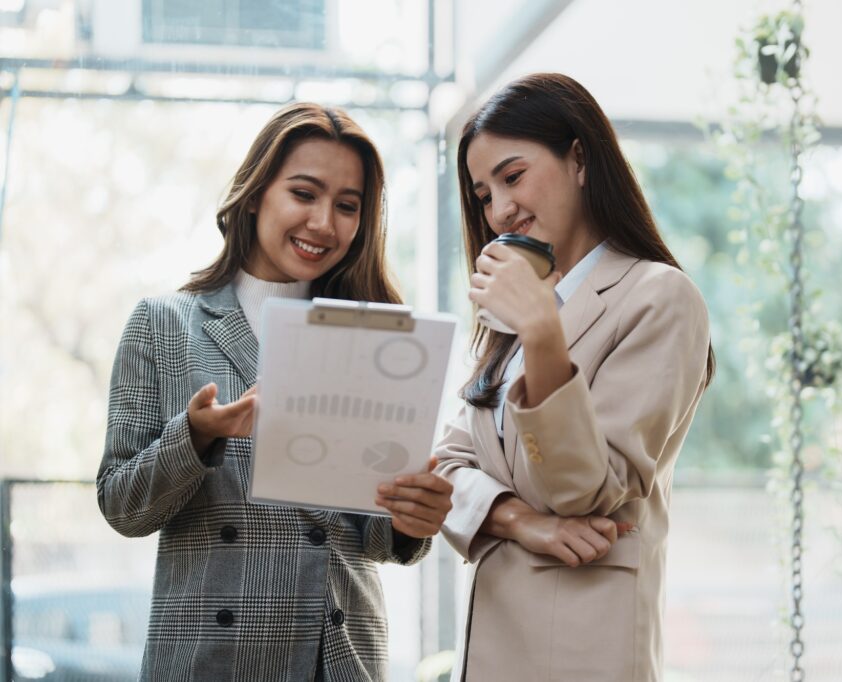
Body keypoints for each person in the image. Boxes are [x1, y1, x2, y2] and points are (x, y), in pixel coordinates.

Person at [97, 102, 453, 681]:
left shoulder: (378, 336)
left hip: (335, 655)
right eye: (304, 193)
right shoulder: (164, 324)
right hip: (208, 660)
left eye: (347, 206)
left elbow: (376, 538)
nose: (323, 223)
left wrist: (414, 517)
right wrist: (196, 437)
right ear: (257, 192)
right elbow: (122, 507)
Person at [433, 73, 714, 681]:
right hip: (491, 650)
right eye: (483, 195)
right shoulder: (514, 316)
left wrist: (541, 332)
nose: (499, 209)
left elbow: (588, 490)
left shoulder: (659, 298)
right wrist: (518, 521)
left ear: (580, 159)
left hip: (585, 649)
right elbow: (447, 466)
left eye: (512, 177)